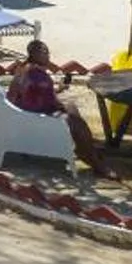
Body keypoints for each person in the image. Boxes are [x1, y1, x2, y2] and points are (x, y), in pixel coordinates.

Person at [9, 39, 107, 170]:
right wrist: (63, 107)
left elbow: (35, 92)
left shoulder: (23, 68)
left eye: (48, 52)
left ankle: (88, 147)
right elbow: (50, 102)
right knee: (75, 121)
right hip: (32, 115)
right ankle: (95, 163)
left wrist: (58, 90)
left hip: (20, 109)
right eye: (44, 53)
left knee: (72, 107)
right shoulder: (37, 75)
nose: (48, 55)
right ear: (34, 54)